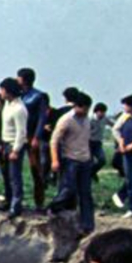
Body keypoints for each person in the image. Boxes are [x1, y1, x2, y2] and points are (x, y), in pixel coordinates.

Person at [49, 88, 96, 233]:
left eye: (86, 109)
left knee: (86, 194)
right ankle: (53, 208)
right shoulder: (66, 120)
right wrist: (55, 160)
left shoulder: (87, 119)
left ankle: (88, 225)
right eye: (82, 108)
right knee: (68, 189)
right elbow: (54, 141)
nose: (84, 111)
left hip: (85, 160)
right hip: (70, 160)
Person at [18, 68, 51, 209]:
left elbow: (42, 118)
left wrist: (37, 137)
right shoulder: (19, 95)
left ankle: (39, 201)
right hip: (19, 134)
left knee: (36, 169)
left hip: (32, 135)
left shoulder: (38, 96)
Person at [0, 77, 28, 217]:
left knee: (14, 177)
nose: (0, 92)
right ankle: (8, 200)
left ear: (8, 91)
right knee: (6, 176)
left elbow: (21, 132)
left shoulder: (19, 109)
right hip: (4, 144)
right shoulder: (7, 105)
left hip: (13, 145)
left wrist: (15, 150)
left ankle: (16, 206)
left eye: (2, 90)